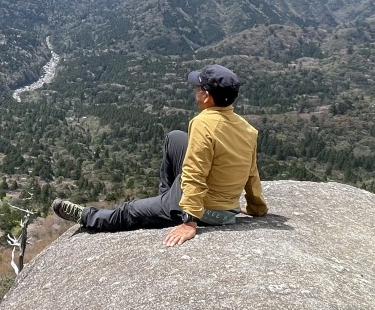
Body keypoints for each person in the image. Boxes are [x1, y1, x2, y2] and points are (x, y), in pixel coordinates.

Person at [52, 64, 267, 247]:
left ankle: (88, 217)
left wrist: (189, 221)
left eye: (198, 88)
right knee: (175, 138)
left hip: (205, 211)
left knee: (131, 210)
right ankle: (165, 200)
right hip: (226, 207)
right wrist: (257, 207)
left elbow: (194, 172)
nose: (195, 91)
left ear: (207, 97)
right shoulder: (247, 129)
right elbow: (251, 171)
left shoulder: (203, 123)